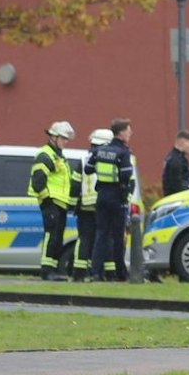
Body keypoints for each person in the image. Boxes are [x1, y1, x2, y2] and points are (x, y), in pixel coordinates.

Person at [88, 118, 136, 281]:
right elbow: (126, 175)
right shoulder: (123, 152)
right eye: (129, 131)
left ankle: (95, 272)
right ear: (121, 133)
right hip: (117, 198)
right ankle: (121, 273)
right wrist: (124, 190)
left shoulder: (99, 151)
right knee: (117, 237)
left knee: (101, 234)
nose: (130, 133)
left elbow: (88, 169)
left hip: (101, 196)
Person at [28, 121, 75, 281]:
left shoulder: (58, 156)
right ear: (53, 137)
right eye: (63, 138)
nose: (66, 142)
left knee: (58, 236)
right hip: (51, 202)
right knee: (51, 235)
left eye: (66, 139)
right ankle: (46, 271)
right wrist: (47, 199)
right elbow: (38, 181)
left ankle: (54, 270)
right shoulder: (45, 155)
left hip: (60, 203)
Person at [71, 128, 108, 280]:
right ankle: (99, 273)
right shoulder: (110, 159)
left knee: (84, 238)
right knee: (102, 239)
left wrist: (72, 206)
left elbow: (75, 184)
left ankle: (79, 273)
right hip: (103, 207)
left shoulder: (83, 160)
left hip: (85, 207)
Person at [162, 130, 189, 197]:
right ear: (182, 142)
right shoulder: (176, 161)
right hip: (178, 200)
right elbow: (176, 186)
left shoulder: (174, 157)